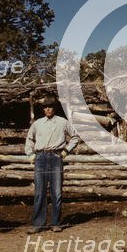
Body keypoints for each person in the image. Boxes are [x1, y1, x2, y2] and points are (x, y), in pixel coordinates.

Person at [24, 96, 79, 233]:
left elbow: (75, 137)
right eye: (45, 107)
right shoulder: (37, 123)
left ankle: (55, 223)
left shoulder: (62, 122)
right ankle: (38, 223)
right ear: (43, 109)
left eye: (50, 106)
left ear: (54, 108)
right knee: (39, 192)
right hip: (41, 157)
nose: (48, 109)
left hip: (55, 157)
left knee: (56, 191)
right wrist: (31, 155)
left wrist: (65, 152)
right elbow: (29, 139)